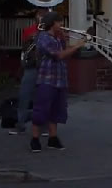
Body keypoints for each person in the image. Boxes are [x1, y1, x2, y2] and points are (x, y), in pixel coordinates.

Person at [30, 11, 85, 152]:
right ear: (52, 23)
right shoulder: (43, 38)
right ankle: (35, 139)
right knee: (41, 110)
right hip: (46, 79)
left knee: (56, 110)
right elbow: (59, 55)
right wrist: (77, 46)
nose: (62, 25)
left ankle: (52, 138)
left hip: (60, 79)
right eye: (59, 22)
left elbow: (65, 53)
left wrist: (65, 40)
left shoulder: (57, 38)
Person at [9, 9, 46, 135]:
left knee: (42, 98)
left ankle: (43, 126)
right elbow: (24, 49)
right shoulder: (29, 30)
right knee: (24, 95)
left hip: (45, 67)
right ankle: (20, 124)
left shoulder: (51, 31)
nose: (40, 18)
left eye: (43, 16)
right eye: (38, 16)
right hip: (31, 67)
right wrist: (32, 38)